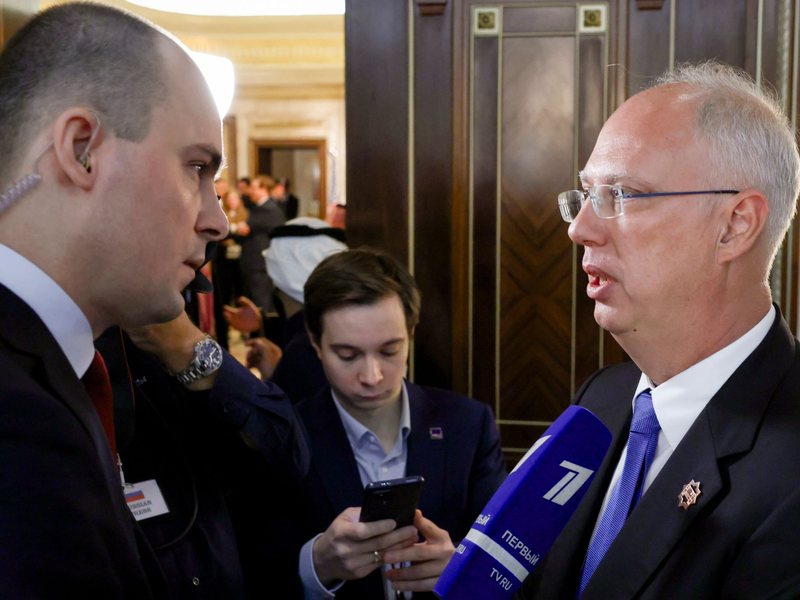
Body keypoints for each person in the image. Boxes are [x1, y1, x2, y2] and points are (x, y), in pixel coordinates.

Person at [0, 4, 305, 597]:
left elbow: (281, 457)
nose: (217, 222)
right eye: (196, 167)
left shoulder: (58, 366)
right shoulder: (19, 417)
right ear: (81, 148)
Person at [518, 62, 800, 599]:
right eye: (584, 195)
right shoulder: (601, 399)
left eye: (622, 195)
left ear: (735, 225)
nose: (580, 229)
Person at [233, 248, 507, 599]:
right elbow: (253, 571)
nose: (372, 376)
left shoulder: (468, 425)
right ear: (316, 344)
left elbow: (508, 556)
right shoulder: (282, 437)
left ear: (411, 333)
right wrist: (317, 565)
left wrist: (464, 567)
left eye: (390, 351)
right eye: (348, 356)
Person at [233, 216, 347, 403]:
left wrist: (275, 375)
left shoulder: (305, 346)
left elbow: (293, 422)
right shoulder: (330, 323)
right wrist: (262, 323)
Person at [239, 174, 285, 312]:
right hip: (257, 264)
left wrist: (240, 227)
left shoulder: (267, 208)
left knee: (261, 305)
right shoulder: (262, 207)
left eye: (253, 188)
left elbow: (245, 228)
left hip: (260, 264)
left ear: (264, 189)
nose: (250, 191)